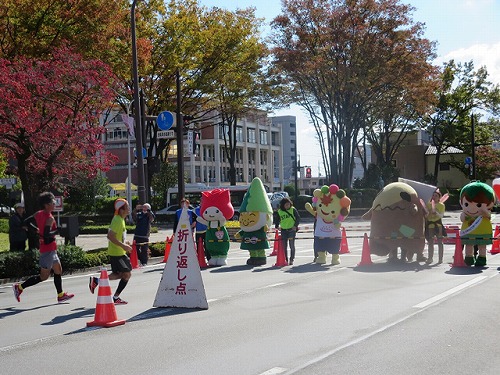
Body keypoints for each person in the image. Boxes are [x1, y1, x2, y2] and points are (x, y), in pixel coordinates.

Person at [12, 192, 74, 303]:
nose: (54, 204)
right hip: (47, 250)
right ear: (46, 204)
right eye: (53, 202)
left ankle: (60, 295)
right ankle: (19, 287)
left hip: (51, 249)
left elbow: (26, 222)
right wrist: (58, 230)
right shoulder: (49, 218)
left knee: (58, 269)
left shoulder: (39, 213)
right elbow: (46, 234)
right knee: (43, 277)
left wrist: (36, 229)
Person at [89, 198, 132, 304]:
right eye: (127, 207)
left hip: (118, 252)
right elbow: (110, 236)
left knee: (119, 274)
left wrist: (125, 242)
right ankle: (115, 297)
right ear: (121, 210)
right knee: (127, 274)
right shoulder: (117, 220)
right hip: (117, 253)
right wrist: (123, 246)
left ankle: (97, 281)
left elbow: (117, 236)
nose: (129, 209)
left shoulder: (120, 219)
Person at [275, 197, 300, 265]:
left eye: (288, 204)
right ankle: (285, 259)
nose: (287, 206)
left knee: (291, 245)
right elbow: (277, 220)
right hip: (283, 230)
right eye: (286, 205)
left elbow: (298, 218)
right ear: (283, 205)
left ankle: (291, 259)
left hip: (291, 230)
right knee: (284, 246)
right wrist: (277, 226)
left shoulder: (293, 209)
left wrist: (295, 226)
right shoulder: (280, 211)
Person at [424, 189, 446, 264]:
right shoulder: (428, 204)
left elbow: (441, 215)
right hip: (430, 225)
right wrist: (429, 213)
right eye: (433, 195)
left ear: (439, 197)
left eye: (436, 196)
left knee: (440, 241)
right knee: (430, 242)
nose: (434, 197)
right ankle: (430, 258)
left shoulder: (441, 205)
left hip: (438, 224)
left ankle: (440, 259)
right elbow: (426, 216)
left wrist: (436, 213)